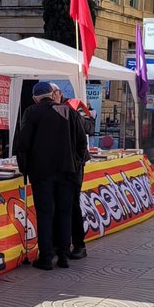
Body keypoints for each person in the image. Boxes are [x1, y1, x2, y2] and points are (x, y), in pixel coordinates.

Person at [13, 81, 88, 271]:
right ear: (52, 95)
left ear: (35, 98)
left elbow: (23, 143)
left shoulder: (32, 112)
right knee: (64, 213)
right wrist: (76, 164)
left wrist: (24, 168)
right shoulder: (69, 111)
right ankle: (63, 255)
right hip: (67, 171)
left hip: (42, 172)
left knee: (45, 214)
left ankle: (46, 257)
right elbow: (82, 143)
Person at [58, 86, 92, 260]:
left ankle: (79, 245)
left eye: (53, 94)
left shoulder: (73, 107)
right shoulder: (50, 110)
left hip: (74, 166)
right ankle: (60, 245)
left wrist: (77, 161)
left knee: (72, 205)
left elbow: (89, 128)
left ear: (59, 94)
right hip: (60, 165)